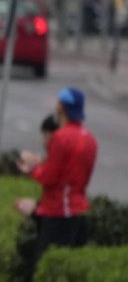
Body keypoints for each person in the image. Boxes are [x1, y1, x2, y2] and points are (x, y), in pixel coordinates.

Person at [18, 87, 99, 254]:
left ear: (61, 107)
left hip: (58, 212)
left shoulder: (61, 137)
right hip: (79, 209)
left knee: (44, 266)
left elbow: (50, 177)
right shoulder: (89, 138)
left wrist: (31, 170)